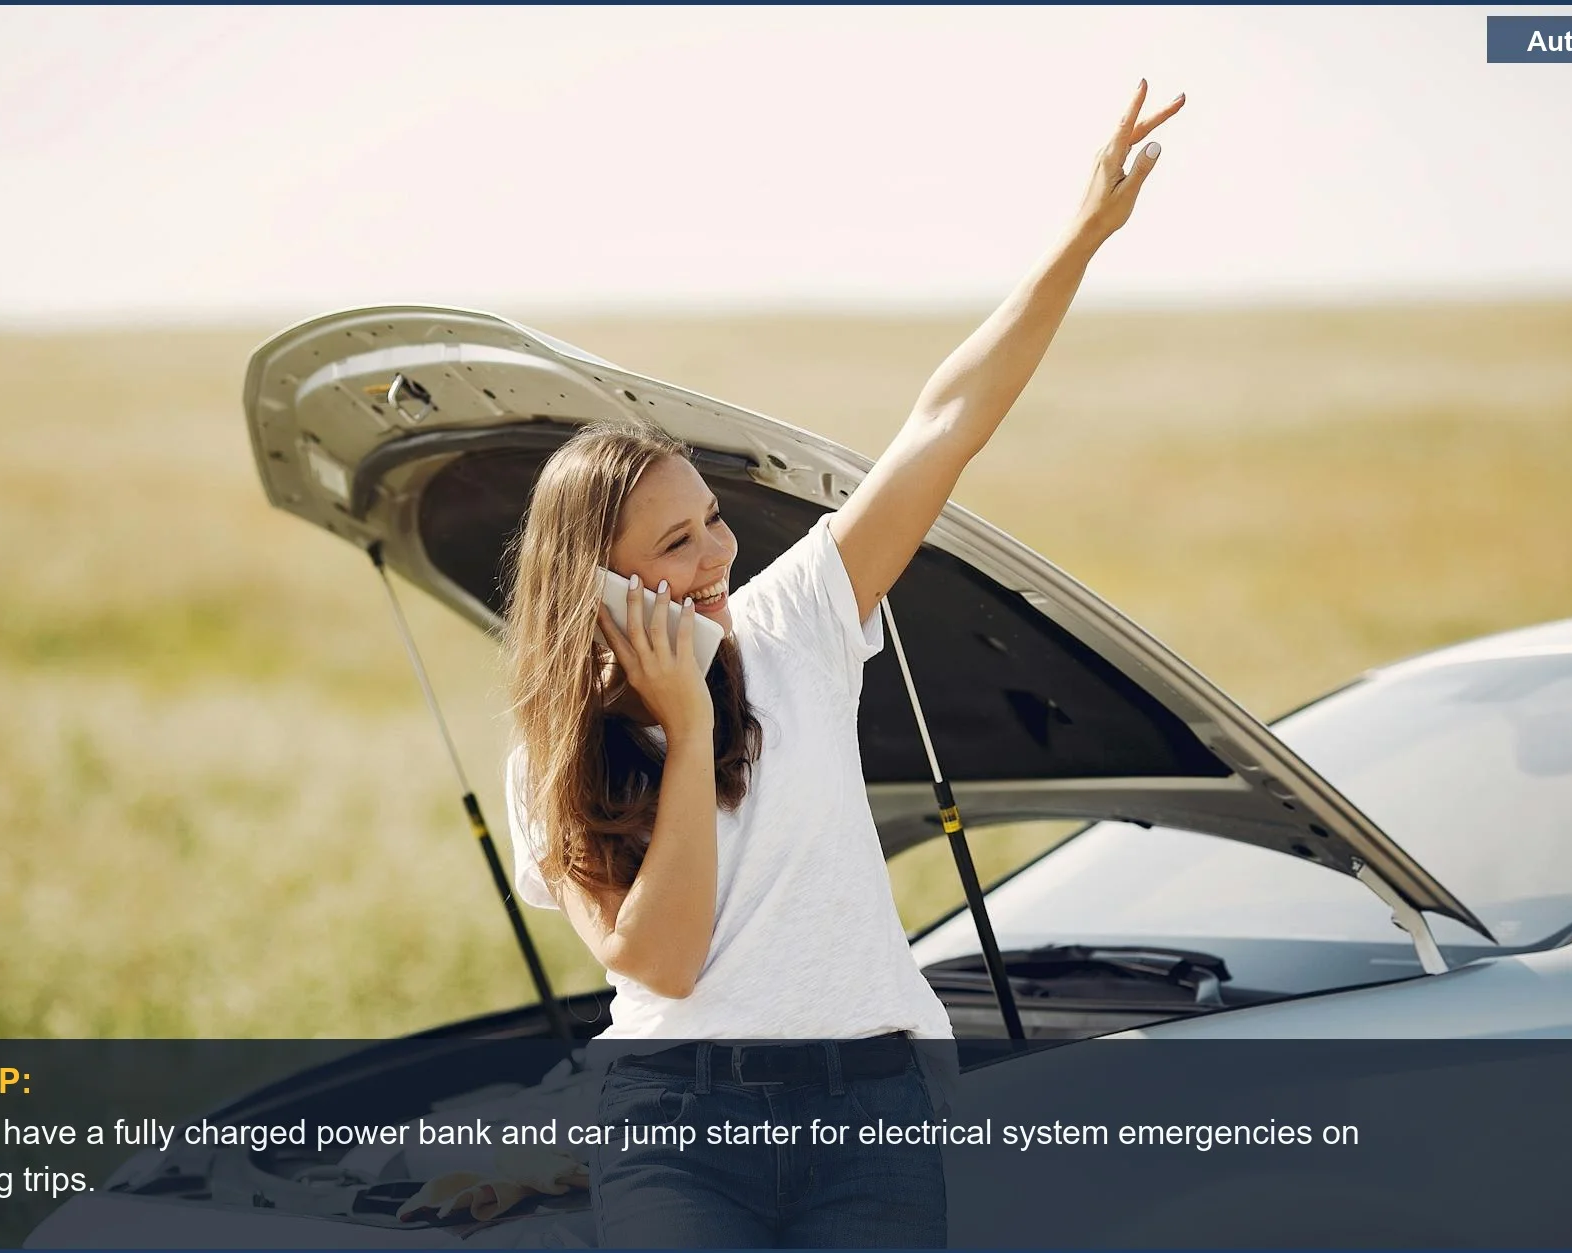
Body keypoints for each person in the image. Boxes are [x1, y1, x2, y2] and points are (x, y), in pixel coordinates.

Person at [501, 80, 1184, 1249]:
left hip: (869, 1115)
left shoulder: (793, 626)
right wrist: (686, 725)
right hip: (678, 1128)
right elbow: (658, 962)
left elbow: (944, 420)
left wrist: (1079, 236)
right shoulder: (552, 755)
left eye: (713, 518)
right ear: (596, 581)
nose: (718, 553)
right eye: (674, 543)